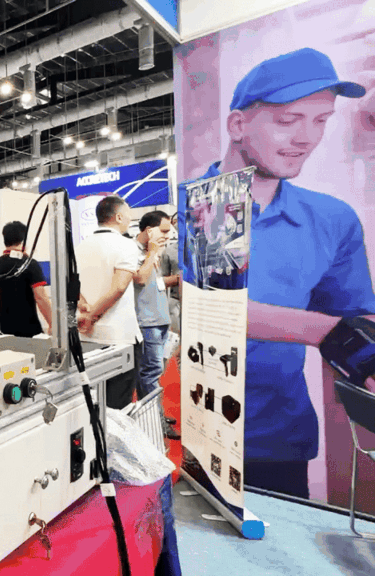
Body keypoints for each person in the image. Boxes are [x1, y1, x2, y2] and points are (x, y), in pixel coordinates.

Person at [180, 48, 374, 499]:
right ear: (238, 125)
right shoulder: (206, 203)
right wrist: (324, 331)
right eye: (288, 120)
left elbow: (356, 322)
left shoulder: (332, 220)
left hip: (280, 438)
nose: (307, 138)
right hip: (195, 430)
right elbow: (221, 311)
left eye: (320, 120)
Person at [74, 195, 142, 409]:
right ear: (119, 217)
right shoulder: (126, 245)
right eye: (128, 214)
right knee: (117, 406)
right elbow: (119, 288)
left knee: (90, 401)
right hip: (119, 336)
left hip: (85, 336)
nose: (130, 219)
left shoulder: (80, 247)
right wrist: (92, 316)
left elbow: (72, 286)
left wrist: (85, 311)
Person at [0, 221, 52, 337]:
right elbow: (40, 297)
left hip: (6, 332)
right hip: (31, 333)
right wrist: (52, 324)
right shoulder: (30, 264)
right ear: (23, 241)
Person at [132, 211, 172, 397]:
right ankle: (154, 413)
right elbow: (140, 279)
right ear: (149, 230)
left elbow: (155, 282)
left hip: (160, 319)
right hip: (147, 322)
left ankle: (150, 411)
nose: (167, 236)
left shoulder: (152, 252)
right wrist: (152, 252)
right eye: (163, 231)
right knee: (151, 373)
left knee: (155, 371)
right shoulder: (132, 251)